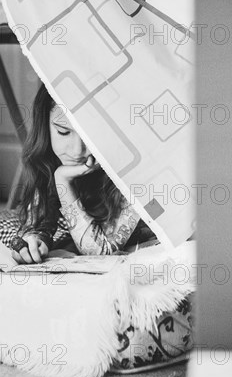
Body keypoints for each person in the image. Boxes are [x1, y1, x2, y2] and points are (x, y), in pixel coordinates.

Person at [10, 84, 155, 264]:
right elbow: (37, 225)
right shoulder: (48, 161)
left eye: (90, 136)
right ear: (45, 125)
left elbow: (99, 253)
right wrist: (32, 241)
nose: (78, 151)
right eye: (63, 132)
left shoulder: (140, 169)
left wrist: (62, 180)